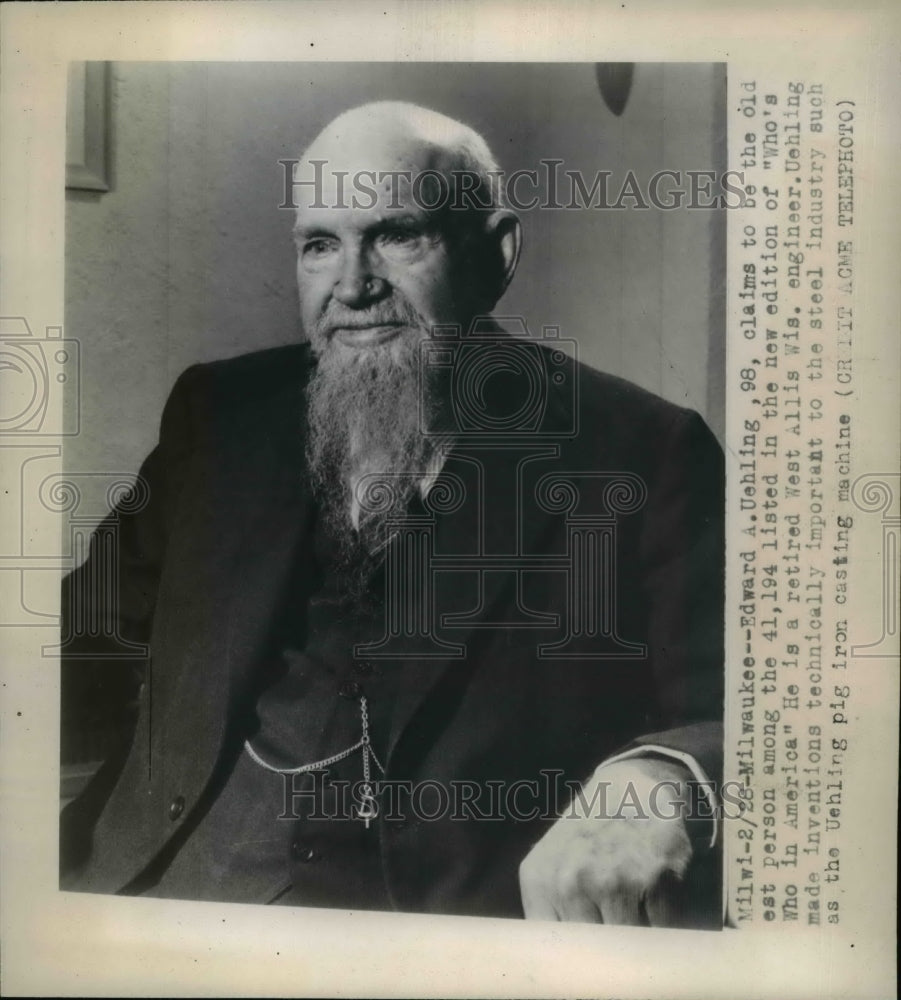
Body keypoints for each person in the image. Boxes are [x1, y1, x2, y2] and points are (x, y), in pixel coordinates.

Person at [60, 101, 725, 927]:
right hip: (146, 893)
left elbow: (745, 707)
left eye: (398, 235)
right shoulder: (222, 414)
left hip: (421, 929)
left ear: (498, 253)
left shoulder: (640, 451)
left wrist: (662, 774)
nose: (351, 287)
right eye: (319, 246)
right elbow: (78, 644)